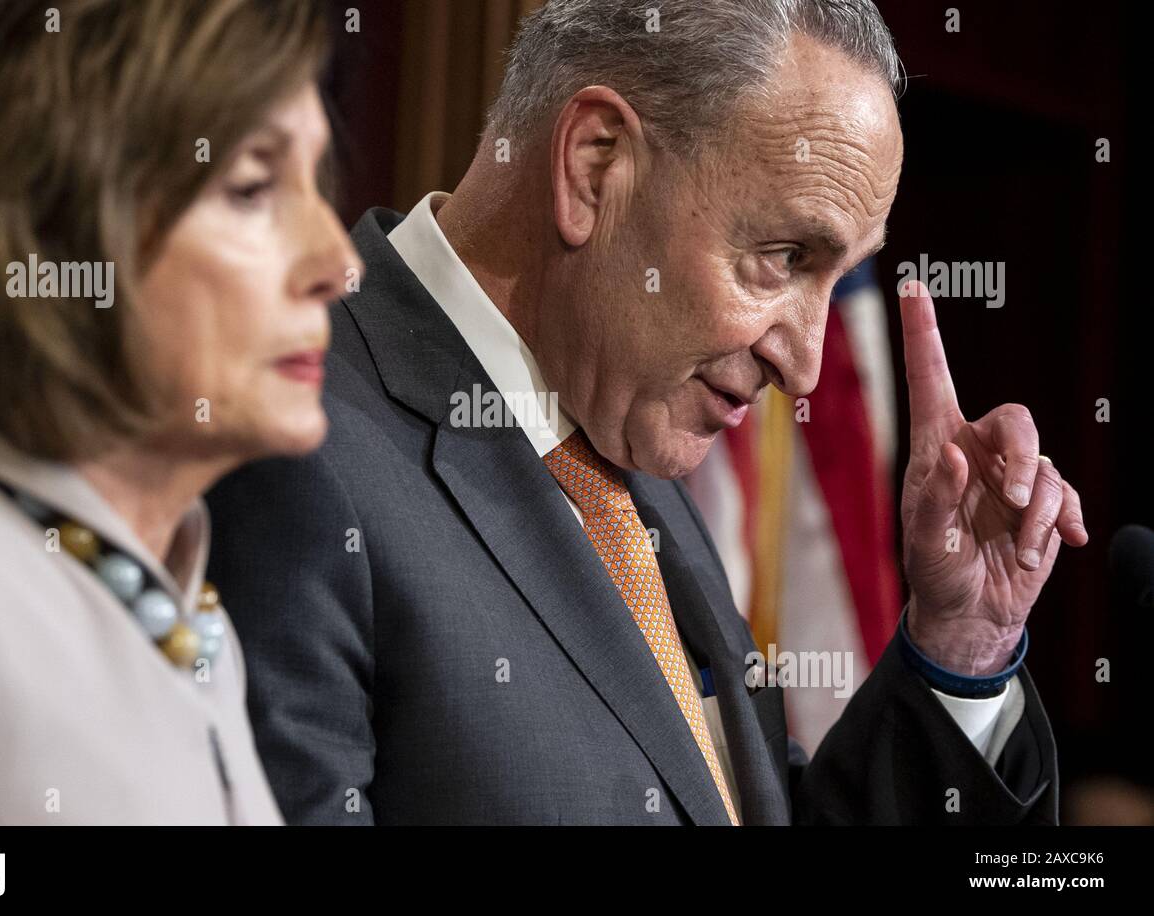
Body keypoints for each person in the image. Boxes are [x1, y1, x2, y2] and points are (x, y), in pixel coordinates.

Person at [207, 0, 1086, 825]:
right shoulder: (288, 439)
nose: (808, 367)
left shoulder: (634, 458)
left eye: (838, 274)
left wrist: (963, 644)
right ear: (595, 166)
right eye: (783, 257)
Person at [0, 0, 359, 825]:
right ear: (42, 228)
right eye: (250, 187)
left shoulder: (178, 607)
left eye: (315, 182)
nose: (337, 262)